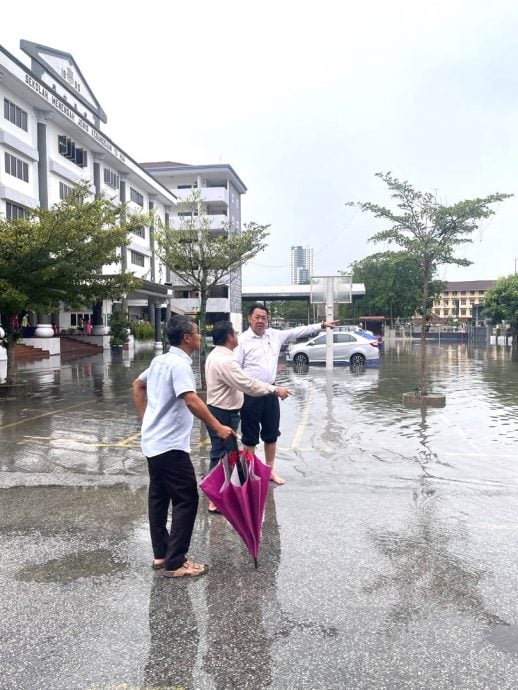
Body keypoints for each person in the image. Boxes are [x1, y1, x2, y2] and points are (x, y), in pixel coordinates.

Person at [133, 315, 235, 579]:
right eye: (197, 332)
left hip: (153, 443)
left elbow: (138, 385)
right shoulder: (179, 365)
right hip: (169, 446)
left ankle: (161, 554)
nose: (200, 336)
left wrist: (146, 420)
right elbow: (190, 400)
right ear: (187, 338)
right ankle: (176, 562)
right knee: (186, 498)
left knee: (158, 498)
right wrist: (218, 427)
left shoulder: (160, 361)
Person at [234, 304, 339, 485]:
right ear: (249, 318)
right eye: (257, 317)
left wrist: (321, 325)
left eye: (264, 318)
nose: (260, 321)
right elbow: (235, 370)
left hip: (271, 392)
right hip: (250, 394)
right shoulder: (242, 340)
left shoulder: (274, 335)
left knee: (271, 434)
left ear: (267, 320)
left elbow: (297, 332)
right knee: (250, 437)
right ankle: (251, 473)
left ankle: (269, 470)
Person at [204, 320, 291, 513]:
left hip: (221, 409)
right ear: (229, 337)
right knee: (220, 455)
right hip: (223, 412)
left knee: (224, 454)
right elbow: (248, 384)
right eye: (234, 333)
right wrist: (275, 389)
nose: (237, 335)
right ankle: (214, 500)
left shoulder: (217, 355)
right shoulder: (226, 361)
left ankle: (220, 496)